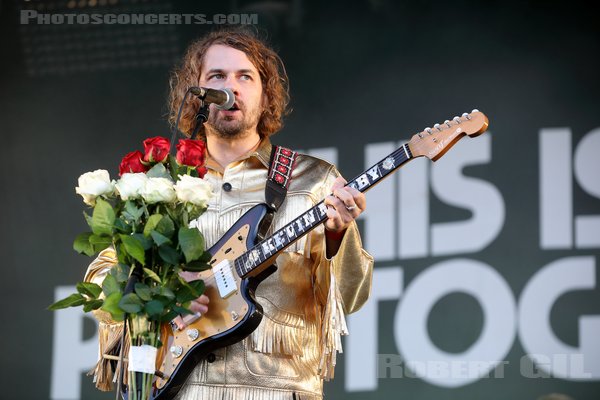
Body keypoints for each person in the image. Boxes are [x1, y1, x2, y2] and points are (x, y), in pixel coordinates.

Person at [85, 28, 373, 400]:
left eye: (245, 76)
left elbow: (352, 298)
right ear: (197, 92)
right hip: (175, 387)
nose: (230, 87)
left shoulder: (316, 180)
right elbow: (101, 281)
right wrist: (161, 294)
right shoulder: (158, 182)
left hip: (276, 390)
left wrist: (339, 236)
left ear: (265, 94)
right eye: (217, 77)